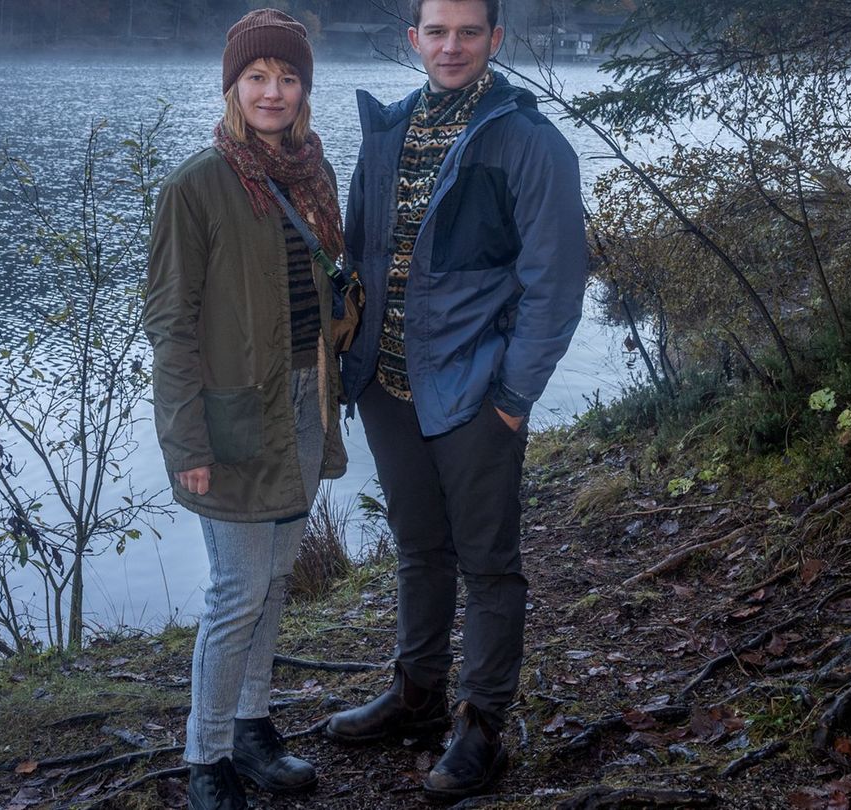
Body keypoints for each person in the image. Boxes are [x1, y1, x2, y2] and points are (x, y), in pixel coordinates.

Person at [326, 0, 587, 799]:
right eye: (436, 31)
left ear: (495, 41)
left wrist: (512, 395)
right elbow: (361, 250)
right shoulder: (390, 129)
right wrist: (348, 361)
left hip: (475, 391)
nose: (451, 45)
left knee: (489, 564)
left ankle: (481, 727)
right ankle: (417, 694)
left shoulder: (529, 143)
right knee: (419, 549)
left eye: (468, 31)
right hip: (389, 385)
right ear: (414, 40)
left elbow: (556, 283)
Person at [143, 9, 348, 810]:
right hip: (231, 417)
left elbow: (327, 293)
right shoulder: (195, 186)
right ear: (233, 85)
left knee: (278, 578)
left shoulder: (313, 174)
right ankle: (207, 759)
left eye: (288, 77)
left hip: (304, 401)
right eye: (257, 77)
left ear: (304, 89)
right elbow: (170, 325)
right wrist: (183, 440)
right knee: (237, 590)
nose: (274, 91)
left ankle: (255, 727)